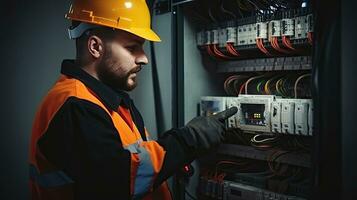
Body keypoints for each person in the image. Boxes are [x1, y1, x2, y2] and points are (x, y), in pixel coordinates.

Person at [29, 0, 237, 199]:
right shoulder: (76, 106)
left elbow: (138, 162)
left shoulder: (108, 100)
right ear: (95, 47)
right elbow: (121, 180)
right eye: (132, 47)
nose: (143, 58)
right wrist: (189, 140)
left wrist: (173, 161)